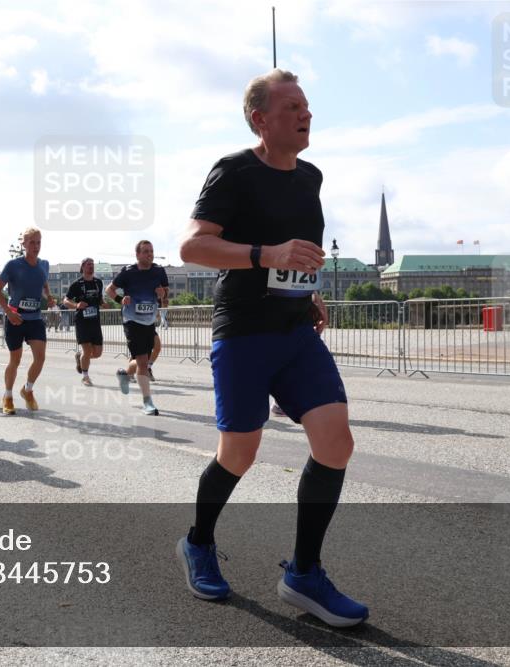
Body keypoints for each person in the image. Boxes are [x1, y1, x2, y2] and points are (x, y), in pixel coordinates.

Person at [176, 69, 367, 627]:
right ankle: (198, 542)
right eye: (291, 108)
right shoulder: (233, 171)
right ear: (260, 119)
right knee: (239, 452)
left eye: (306, 106)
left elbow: (301, 254)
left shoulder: (311, 176)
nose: (305, 115)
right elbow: (192, 245)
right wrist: (268, 254)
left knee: (336, 442)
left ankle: (304, 573)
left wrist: (309, 294)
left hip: (295, 333)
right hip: (243, 333)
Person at [0, 227, 54, 414]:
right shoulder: (13, 265)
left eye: (39, 242)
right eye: (32, 242)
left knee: (40, 357)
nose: (36, 246)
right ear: (24, 244)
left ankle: (27, 390)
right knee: (15, 359)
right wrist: (8, 312)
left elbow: (43, 281)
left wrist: (49, 296)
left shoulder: (44, 264)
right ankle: (8, 396)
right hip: (16, 317)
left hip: (35, 317)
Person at [106, 240, 168, 415]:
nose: (150, 254)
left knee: (145, 357)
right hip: (132, 321)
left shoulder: (159, 271)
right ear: (138, 255)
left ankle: (124, 374)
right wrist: (120, 300)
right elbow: (109, 290)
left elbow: (165, 294)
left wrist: (162, 295)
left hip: (149, 321)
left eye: (151, 251)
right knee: (142, 361)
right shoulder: (128, 272)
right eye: (146, 251)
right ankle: (147, 402)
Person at [64, 258, 104, 386]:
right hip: (82, 322)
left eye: (92, 264)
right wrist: (76, 305)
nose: (91, 267)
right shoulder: (77, 284)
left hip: (95, 322)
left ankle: (80, 357)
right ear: (82, 267)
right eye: (88, 265)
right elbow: (65, 301)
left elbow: (99, 299)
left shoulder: (98, 282)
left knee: (97, 353)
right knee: (87, 351)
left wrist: (104, 304)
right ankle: (85, 376)